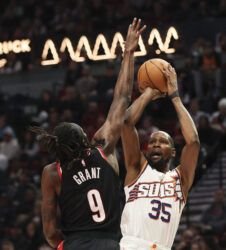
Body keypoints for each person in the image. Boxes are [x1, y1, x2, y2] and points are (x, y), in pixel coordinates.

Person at [33, 18, 146, 250]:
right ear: (84, 139)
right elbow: (122, 99)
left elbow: (50, 231)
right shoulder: (102, 149)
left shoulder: (52, 173)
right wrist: (128, 54)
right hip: (111, 242)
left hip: (75, 244)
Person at [120, 65, 200, 249]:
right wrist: (149, 92)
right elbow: (126, 123)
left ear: (173, 152)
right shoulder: (136, 169)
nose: (155, 144)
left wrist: (175, 97)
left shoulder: (180, 179)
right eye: (152, 142)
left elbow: (193, 142)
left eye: (162, 142)